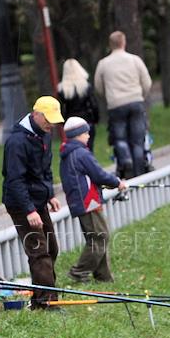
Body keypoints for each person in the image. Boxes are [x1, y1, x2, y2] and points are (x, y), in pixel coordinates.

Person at [2, 97, 64, 309]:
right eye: (48, 119)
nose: (51, 125)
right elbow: (15, 180)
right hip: (21, 204)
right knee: (39, 252)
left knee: (52, 248)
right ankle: (48, 303)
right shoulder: (17, 142)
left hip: (38, 200)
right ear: (36, 114)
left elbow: (45, 169)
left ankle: (39, 299)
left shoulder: (44, 134)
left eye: (54, 120)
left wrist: (50, 195)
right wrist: (29, 210)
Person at [60, 117, 126, 283]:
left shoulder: (68, 153)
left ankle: (103, 276)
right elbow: (98, 174)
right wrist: (117, 182)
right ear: (78, 135)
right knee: (100, 237)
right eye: (86, 133)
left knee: (97, 237)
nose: (89, 135)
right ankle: (79, 271)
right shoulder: (81, 153)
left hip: (80, 201)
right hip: (88, 202)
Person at [93, 32, 152, 177]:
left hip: (116, 104)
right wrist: (140, 96)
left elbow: (98, 86)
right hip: (135, 101)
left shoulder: (103, 64)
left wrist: (108, 97)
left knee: (120, 138)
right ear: (123, 42)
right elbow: (147, 82)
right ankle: (140, 173)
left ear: (110, 44)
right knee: (137, 141)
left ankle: (126, 162)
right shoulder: (135, 60)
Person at [57, 59, 100, 152]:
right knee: (89, 148)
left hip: (71, 123)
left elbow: (60, 108)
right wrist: (96, 119)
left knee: (74, 149)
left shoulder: (62, 89)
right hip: (86, 120)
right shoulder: (85, 86)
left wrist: (63, 122)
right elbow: (94, 104)